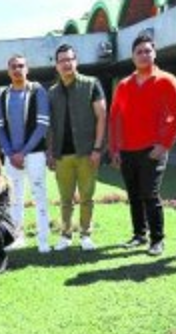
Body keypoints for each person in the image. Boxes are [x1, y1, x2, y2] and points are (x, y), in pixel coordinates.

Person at [108, 33, 176, 256]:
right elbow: (115, 118)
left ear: (154, 53)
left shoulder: (167, 81)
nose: (143, 55)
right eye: (139, 52)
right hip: (127, 150)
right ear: (133, 56)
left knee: (150, 194)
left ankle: (157, 240)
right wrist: (114, 149)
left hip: (153, 150)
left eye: (147, 51)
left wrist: (164, 145)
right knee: (133, 195)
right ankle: (139, 235)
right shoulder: (124, 85)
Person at [46, 42, 107, 252]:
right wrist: (50, 152)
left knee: (87, 198)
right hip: (62, 156)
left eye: (70, 59)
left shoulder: (91, 84)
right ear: (56, 65)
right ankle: (65, 235)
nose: (66, 64)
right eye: (62, 60)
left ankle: (86, 235)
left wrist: (97, 149)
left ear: (76, 61)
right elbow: (50, 126)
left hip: (87, 153)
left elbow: (102, 117)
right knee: (65, 200)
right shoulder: (52, 93)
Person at [0, 53, 51, 252]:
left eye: (21, 66)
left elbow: (42, 125)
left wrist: (23, 152)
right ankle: (17, 238)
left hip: (34, 154)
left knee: (39, 196)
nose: (17, 70)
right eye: (13, 66)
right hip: (12, 158)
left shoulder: (38, 91)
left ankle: (43, 240)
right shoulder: (3, 95)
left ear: (27, 69)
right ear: (8, 71)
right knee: (13, 199)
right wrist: (10, 153)